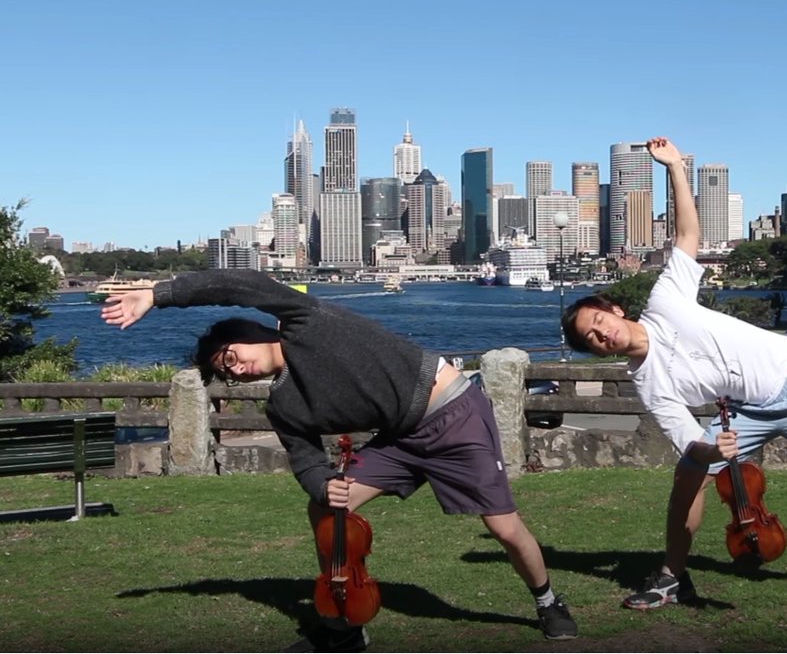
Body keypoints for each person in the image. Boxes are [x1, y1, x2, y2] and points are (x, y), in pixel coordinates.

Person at [100, 273, 578, 650]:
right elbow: (306, 458)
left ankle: (547, 601)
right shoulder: (284, 406)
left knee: (503, 527)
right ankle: (344, 625)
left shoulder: (306, 320)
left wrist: (159, 295)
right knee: (326, 507)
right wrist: (321, 483)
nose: (235, 369)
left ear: (250, 332)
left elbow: (239, 285)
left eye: (230, 356)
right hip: (401, 438)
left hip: (453, 414)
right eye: (226, 373)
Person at [561, 137, 787, 609]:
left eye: (598, 321)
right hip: (745, 410)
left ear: (614, 309)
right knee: (689, 475)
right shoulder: (646, 380)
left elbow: (687, 235)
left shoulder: (664, 300)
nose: (601, 334)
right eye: (590, 338)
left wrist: (675, 168)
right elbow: (687, 438)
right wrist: (713, 450)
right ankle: (672, 578)